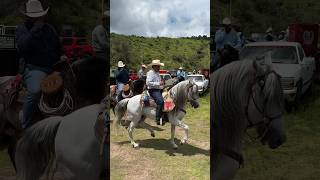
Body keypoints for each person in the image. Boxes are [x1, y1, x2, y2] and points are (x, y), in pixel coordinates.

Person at [16, 0, 61, 129]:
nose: (38, 18)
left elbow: (58, 47)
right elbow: (22, 47)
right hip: (34, 68)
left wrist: (62, 55)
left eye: (39, 15)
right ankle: (26, 124)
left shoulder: (50, 29)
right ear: (28, 17)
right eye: (35, 16)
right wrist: (35, 31)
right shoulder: (22, 29)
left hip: (54, 67)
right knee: (35, 91)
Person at [146, 59, 165, 125]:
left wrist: (162, 84)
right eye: (158, 66)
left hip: (158, 89)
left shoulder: (157, 73)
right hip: (153, 90)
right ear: (154, 66)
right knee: (160, 101)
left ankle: (164, 116)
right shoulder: (150, 73)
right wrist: (159, 83)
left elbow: (159, 83)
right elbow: (148, 83)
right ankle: (157, 119)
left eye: (159, 66)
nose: (159, 68)